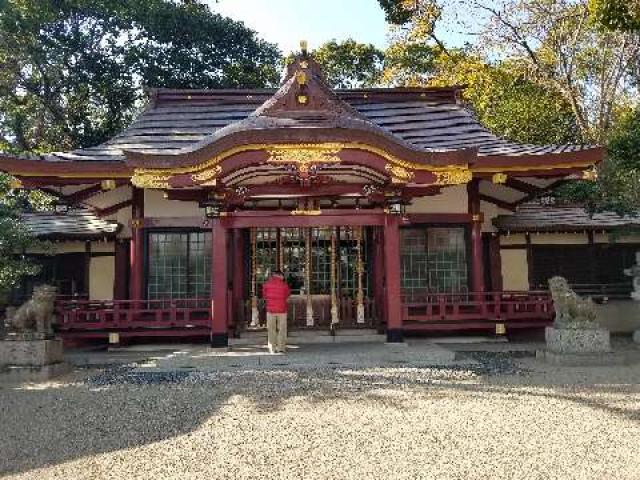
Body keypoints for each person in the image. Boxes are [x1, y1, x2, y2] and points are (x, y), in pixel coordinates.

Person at [262, 270, 291, 353]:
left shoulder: (266, 284)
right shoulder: (284, 285)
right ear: (280, 275)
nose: (283, 277)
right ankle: (281, 348)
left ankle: (272, 348)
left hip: (270, 310)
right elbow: (287, 295)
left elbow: (264, 296)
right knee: (282, 329)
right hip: (282, 310)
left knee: (271, 329)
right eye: (283, 276)